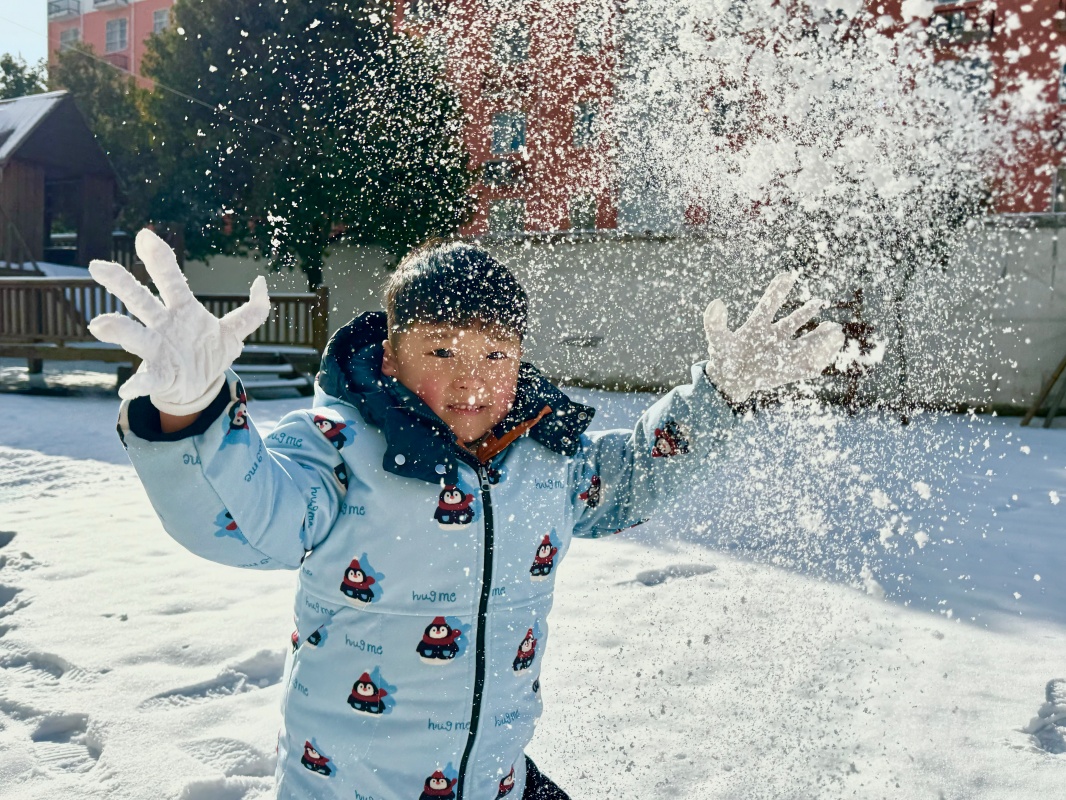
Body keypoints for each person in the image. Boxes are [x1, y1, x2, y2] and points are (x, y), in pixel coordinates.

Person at [88, 230, 843, 799]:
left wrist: (721, 398)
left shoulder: (544, 460)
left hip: (494, 780)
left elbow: (636, 477)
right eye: (442, 352)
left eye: (495, 355)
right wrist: (190, 414)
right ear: (391, 357)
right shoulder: (336, 451)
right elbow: (242, 518)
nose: (472, 382)